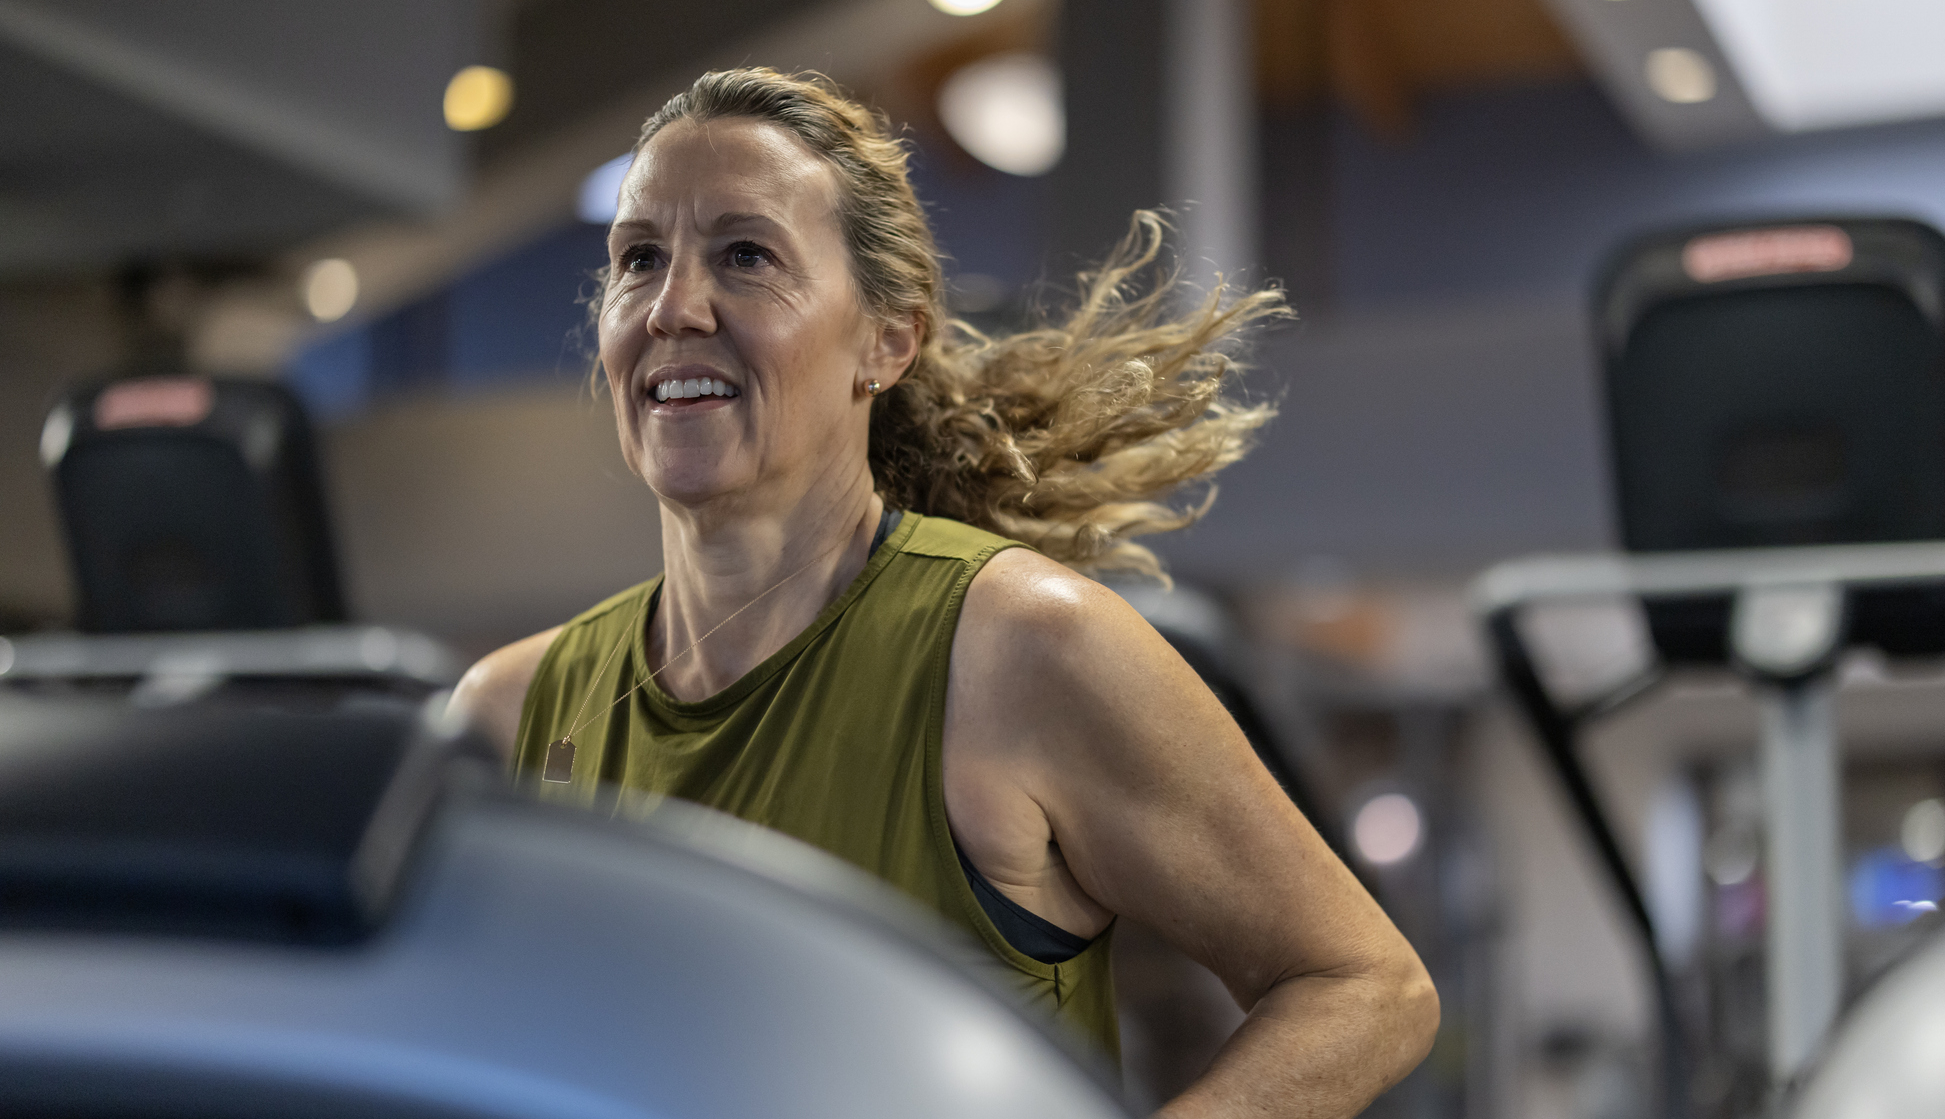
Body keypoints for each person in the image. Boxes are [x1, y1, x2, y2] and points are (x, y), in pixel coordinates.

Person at [450, 68, 1436, 1117]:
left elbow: (1367, 985)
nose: (673, 307)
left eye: (746, 256)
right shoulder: (506, 715)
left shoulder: (1019, 649)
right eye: (637, 258)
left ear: (886, 339)